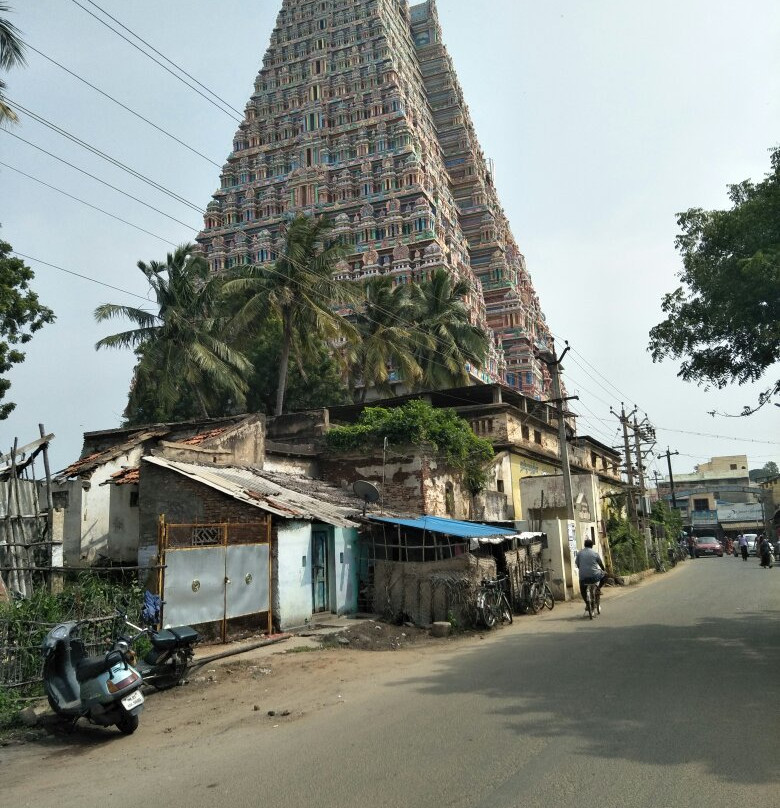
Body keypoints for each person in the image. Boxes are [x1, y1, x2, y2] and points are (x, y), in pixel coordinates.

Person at [576, 538, 607, 612]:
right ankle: (598, 589)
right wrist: (603, 570)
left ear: (584, 545)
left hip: (583, 577)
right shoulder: (595, 553)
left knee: (583, 590)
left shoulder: (579, 553)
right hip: (594, 576)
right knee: (605, 575)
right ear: (592, 546)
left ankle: (587, 604)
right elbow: (600, 564)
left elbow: (577, 564)